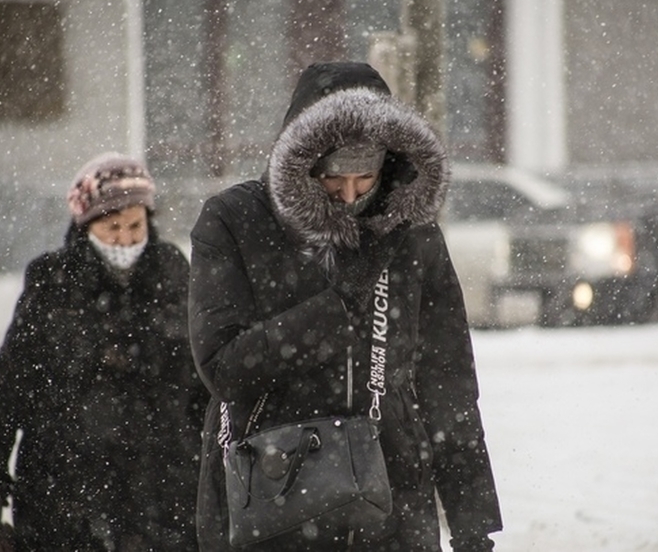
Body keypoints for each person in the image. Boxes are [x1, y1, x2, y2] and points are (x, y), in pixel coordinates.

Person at [189, 62, 502, 551]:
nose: (351, 195)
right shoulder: (234, 219)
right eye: (335, 180)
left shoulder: (412, 233)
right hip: (270, 490)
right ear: (303, 162)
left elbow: (448, 384)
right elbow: (225, 367)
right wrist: (339, 305)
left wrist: (471, 520)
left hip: (393, 497)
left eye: (367, 177)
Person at [0, 152, 207, 551]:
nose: (126, 239)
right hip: (64, 490)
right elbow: (11, 383)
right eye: (112, 228)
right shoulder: (52, 282)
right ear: (85, 226)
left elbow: (201, 379)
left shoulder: (172, 274)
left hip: (162, 488)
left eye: (135, 226)